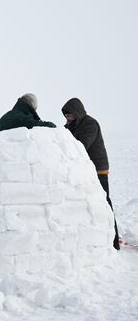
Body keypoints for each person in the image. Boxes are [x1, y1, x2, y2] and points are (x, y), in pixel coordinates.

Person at [62, 98, 120, 250]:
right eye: (66, 115)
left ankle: (114, 241)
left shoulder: (90, 123)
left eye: (70, 115)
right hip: (85, 169)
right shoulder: (70, 126)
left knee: (104, 201)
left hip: (98, 168)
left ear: (77, 112)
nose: (67, 118)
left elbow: (82, 145)